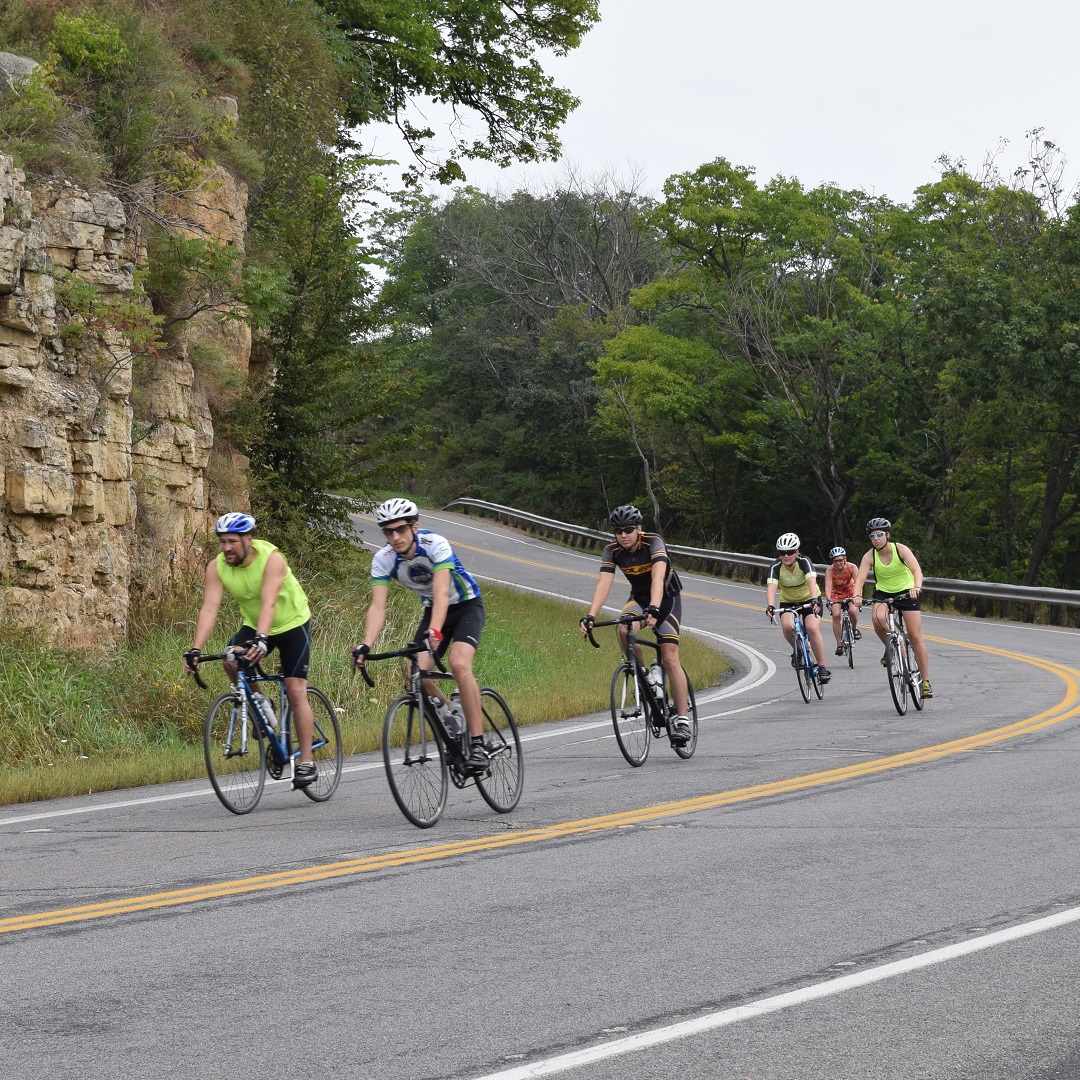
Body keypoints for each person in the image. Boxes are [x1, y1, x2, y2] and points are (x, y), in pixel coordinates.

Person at [351, 498, 489, 771]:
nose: (395, 537)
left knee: (459, 663)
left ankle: (478, 744)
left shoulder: (435, 545)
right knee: (414, 671)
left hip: (465, 607)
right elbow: (378, 606)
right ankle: (450, 721)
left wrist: (435, 631)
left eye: (400, 529)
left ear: (415, 526)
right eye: (388, 532)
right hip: (432, 612)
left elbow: (441, 592)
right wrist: (366, 644)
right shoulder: (384, 560)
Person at [183, 512, 318, 788]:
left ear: (249, 539)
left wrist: (262, 639)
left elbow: (269, 602)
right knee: (231, 660)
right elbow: (209, 608)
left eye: (232, 541)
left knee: (295, 689)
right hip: (256, 624)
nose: (226, 548)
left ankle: (306, 761)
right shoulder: (217, 567)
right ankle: (260, 703)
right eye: (222, 542)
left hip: (292, 623)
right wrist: (195, 648)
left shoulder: (272, 559)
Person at [579, 505, 692, 745]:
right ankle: (645, 677)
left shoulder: (654, 542)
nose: (623, 535)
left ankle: (683, 720)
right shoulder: (612, 551)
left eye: (628, 529)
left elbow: (658, 578)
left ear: (639, 529)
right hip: (639, 599)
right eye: (618, 531)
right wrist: (590, 615)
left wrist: (654, 607)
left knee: (670, 657)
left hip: (666, 598)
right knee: (623, 629)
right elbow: (604, 584)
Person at [853, 517, 933, 698]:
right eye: (872, 536)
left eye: (880, 535)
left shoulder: (901, 549)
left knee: (915, 635)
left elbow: (916, 571)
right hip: (884, 593)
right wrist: (857, 595)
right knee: (877, 619)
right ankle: (893, 645)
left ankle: (926, 682)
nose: (876, 539)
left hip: (907, 591)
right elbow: (859, 579)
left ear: (887, 535)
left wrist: (916, 587)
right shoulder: (869, 556)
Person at [764, 532, 831, 683]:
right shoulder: (776, 566)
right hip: (788, 602)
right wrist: (770, 605)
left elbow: (812, 582)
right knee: (787, 627)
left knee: (812, 628)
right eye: (782, 553)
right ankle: (798, 650)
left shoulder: (804, 562)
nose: (786, 556)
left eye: (790, 552)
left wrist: (814, 599)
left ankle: (822, 667)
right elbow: (771, 587)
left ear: (797, 552)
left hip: (810, 599)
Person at [823, 545, 861, 655]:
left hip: (850, 591)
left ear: (845, 559)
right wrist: (829, 600)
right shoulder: (830, 570)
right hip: (836, 593)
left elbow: (858, 583)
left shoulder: (852, 567)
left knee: (852, 611)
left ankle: (854, 629)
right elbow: (828, 586)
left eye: (840, 560)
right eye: (835, 561)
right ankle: (839, 645)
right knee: (835, 615)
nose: (838, 563)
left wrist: (858, 596)